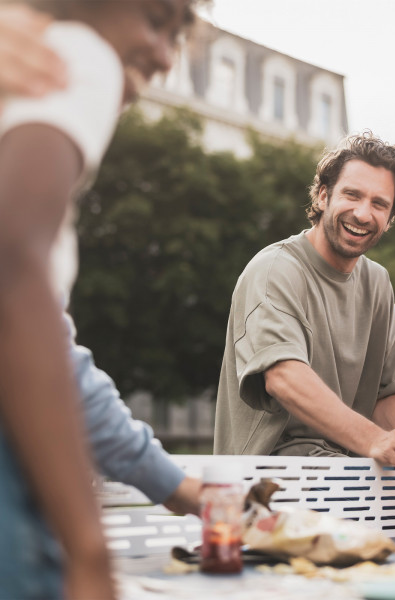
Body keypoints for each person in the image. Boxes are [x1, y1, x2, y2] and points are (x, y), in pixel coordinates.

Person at [0, 1, 196, 598]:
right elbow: (13, 264)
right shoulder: (79, 56)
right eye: (156, 18)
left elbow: (52, 362)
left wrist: (184, 491)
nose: (166, 55)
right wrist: (88, 551)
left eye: (178, 33)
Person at [214, 131, 395, 481]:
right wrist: (375, 440)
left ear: (391, 216)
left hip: (349, 478)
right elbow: (283, 377)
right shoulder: (275, 270)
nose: (363, 213)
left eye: (379, 204)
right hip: (265, 484)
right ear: (323, 195)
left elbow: (387, 394)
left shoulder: (377, 283)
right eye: (352, 194)